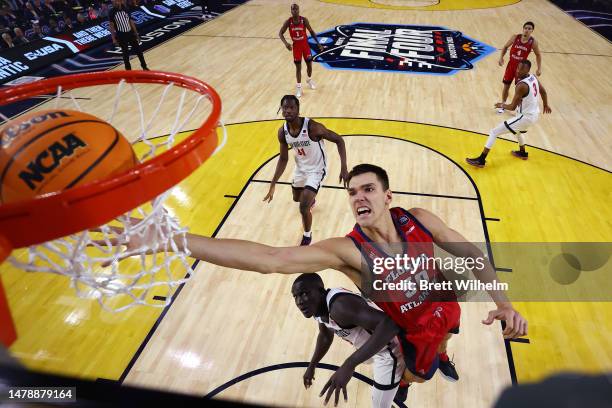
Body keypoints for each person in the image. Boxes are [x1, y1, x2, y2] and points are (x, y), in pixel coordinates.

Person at [108, 163, 527, 406]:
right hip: (411, 332)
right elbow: (270, 260)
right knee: (418, 378)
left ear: (387, 196)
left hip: (445, 306)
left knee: (448, 334)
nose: (359, 197)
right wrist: (170, 239)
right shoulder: (348, 250)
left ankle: (445, 352)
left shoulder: (417, 217)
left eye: (368, 189)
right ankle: (429, 365)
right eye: (352, 193)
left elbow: (471, 252)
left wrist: (504, 304)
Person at [293, 273, 408, 407]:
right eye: (295, 296)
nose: (299, 301)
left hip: (390, 350)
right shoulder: (317, 308)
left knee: (380, 406)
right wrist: (312, 365)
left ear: (320, 291)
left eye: (304, 293)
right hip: (372, 344)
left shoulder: (340, 307)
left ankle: (403, 381)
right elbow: (325, 335)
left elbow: (390, 325)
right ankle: (397, 383)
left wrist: (349, 364)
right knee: (365, 359)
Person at [263, 95, 349, 246]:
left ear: (298, 110)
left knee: (303, 207)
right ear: (281, 110)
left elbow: (339, 140)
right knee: (297, 198)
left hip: (317, 169)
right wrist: (273, 183)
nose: (288, 111)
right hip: (300, 169)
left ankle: (307, 236)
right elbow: (283, 159)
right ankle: (311, 199)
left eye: (291, 108)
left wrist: (344, 168)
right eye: (285, 108)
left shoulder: (313, 127)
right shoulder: (282, 132)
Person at [467, 59, 551, 167]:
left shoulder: (522, 86)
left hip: (526, 117)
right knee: (518, 131)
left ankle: (481, 160)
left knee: (494, 132)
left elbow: (512, 107)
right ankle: (522, 152)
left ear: (527, 70)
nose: (518, 71)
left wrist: (501, 105)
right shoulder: (533, 77)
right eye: (518, 68)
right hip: (533, 114)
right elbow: (543, 91)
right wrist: (545, 104)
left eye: (521, 69)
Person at [279, 3, 323, 98]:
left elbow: (311, 31)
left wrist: (318, 43)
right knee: (298, 68)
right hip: (296, 47)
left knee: (309, 66)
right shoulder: (288, 22)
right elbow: (280, 33)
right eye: (293, 9)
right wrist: (286, 44)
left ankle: (309, 80)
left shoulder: (304, 20)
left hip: (305, 45)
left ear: (299, 10)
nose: (295, 11)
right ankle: (299, 87)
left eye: (296, 9)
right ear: (291, 11)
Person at [497, 21, 542, 114]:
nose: (527, 30)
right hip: (511, 66)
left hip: (521, 69)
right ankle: (503, 104)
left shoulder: (533, 42)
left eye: (529, 29)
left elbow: (538, 55)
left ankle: (519, 108)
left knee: (520, 90)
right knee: (506, 86)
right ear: (523, 29)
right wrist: (501, 57)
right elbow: (505, 47)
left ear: (532, 31)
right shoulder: (515, 37)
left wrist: (539, 68)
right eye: (525, 28)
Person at [108, 0, 149, 71]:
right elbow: (111, 26)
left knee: (139, 51)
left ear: (120, 1)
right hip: (121, 35)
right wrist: (113, 38)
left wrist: (136, 33)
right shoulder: (111, 12)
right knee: (125, 54)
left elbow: (131, 21)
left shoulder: (126, 9)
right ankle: (128, 71)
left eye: (116, 1)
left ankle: (144, 67)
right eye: (113, 2)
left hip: (130, 33)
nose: (115, 3)